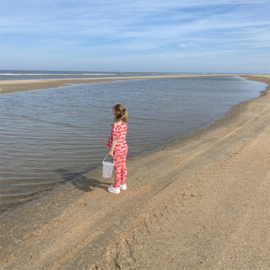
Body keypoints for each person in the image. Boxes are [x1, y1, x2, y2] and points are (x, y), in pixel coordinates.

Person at [106, 104, 128, 194]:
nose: (112, 114)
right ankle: (123, 184)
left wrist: (111, 150)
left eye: (113, 113)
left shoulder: (116, 125)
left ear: (116, 114)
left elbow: (115, 139)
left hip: (117, 149)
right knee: (123, 166)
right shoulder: (124, 123)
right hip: (124, 147)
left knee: (117, 168)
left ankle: (116, 187)